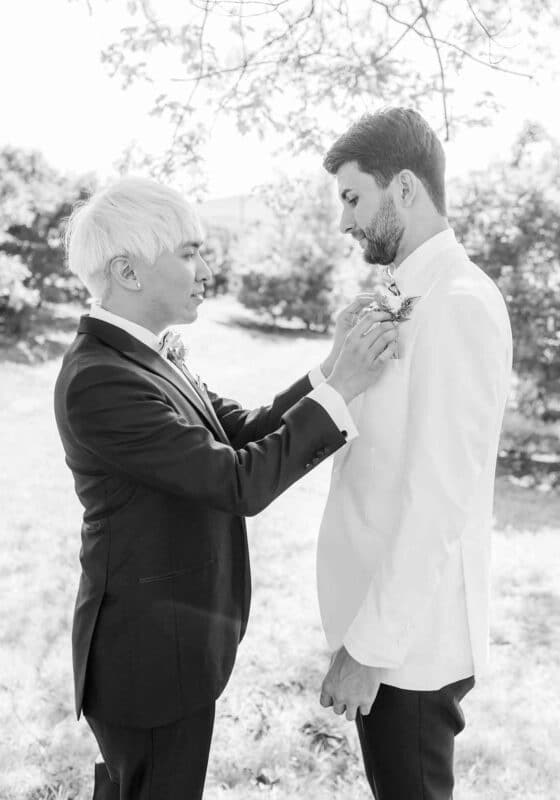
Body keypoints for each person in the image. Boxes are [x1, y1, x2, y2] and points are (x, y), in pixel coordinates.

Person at [53, 176, 398, 800]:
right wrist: (343, 391)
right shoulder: (99, 380)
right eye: (189, 253)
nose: (207, 269)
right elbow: (238, 481)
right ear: (128, 272)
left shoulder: (146, 354)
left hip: (174, 651)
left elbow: (238, 432)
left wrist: (330, 366)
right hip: (146, 663)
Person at [316, 108, 513, 799]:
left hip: (410, 645)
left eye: (352, 198)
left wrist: (370, 649)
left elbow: (439, 497)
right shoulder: (407, 294)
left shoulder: (457, 302)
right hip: (382, 619)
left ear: (404, 188)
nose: (343, 222)